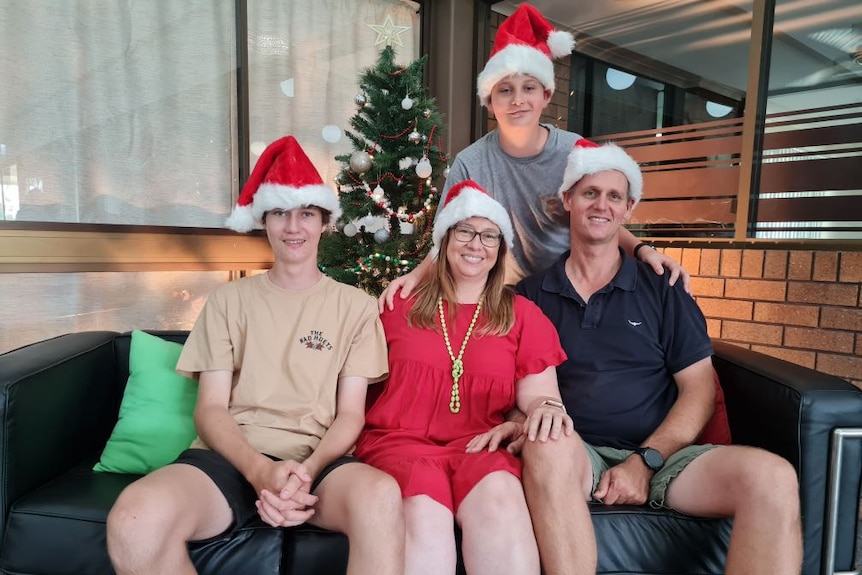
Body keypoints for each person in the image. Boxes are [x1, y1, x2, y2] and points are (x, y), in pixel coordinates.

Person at [106, 136, 405, 575]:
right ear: (264, 221)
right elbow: (209, 409)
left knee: (381, 497)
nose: (293, 227)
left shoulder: (355, 306)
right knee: (133, 517)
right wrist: (260, 471)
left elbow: (349, 416)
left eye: (306, 213)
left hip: (318, 463)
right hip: (228, 459)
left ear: (324, 222)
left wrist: (304, 471)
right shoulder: (228, 302)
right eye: (280, 213)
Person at [509, 137, 802, 574]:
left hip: (666, 460)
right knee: (546, 444)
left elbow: (699, 391)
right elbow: (515, 390)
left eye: (615, 196)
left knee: (773, 477)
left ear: (629, 210)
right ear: (567, 199)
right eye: (590, 193)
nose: (601, 205)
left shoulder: (664, 288)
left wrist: (644, 462)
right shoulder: (531, 296)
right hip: (575, 455)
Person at [381, 3, 688, 310]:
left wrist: (644, 249)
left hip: (569, 295)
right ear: (489, 101)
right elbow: (448, 237)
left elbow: (600, 216)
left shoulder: (576, 153)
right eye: (505, 90)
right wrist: (416, 275)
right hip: (501, 300)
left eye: (528, 88)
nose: (517, 100)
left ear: (546, 96)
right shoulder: (470, 162)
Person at [354, 180, 574, 575]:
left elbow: (541, 397)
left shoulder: (522, 315)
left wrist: (546, 409)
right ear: (445, 240)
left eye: (490, 235)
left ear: (500, 249)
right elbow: (353, 386)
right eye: (466, 231)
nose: (477, 244)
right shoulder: (397, 305)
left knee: (503, 496)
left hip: (479, 446)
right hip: (400, 445)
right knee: (424, 514)